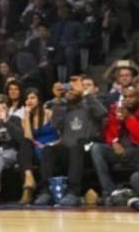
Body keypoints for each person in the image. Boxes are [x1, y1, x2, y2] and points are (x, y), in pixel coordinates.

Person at [33, 79, 105, 207]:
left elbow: (102, 113)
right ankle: (45, 191)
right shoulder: (64, 108)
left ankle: (73, 192)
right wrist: (59, 99)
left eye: (74, 89)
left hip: (87, 150)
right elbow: (55, 124)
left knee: (76, 148)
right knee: (48, 150)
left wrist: (85, 93)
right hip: (67, 150)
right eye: (69, 89)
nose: (71, 91)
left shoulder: (90, 104)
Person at [90, 85, 139, 204]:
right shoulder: (117, 110)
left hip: (137, 152)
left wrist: (129, 118)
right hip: (120, 152)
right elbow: (109, 131)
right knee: (96, 148)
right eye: (125, 97)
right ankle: (110, 192)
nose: (127, 99)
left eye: (131, 97)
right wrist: (114, 142)